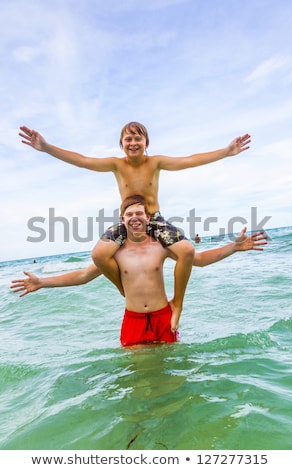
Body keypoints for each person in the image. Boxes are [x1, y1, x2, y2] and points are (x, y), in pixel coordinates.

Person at [19, 122, 251, 328]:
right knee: (99, 254)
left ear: (146, 142)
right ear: (121, 144)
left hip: (154, 218)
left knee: (188, 250)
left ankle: (177, 304)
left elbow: (189, 161)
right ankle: (124, 289)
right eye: (128, 139)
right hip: (129, 219)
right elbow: (83, 161)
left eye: (137, 138)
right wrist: (47, 147)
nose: (133, 142)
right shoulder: (116, 165)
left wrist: (226, 151)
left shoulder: (156, 162)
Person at [11, 195, 267, 346]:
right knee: (138, 381)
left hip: (164, 317)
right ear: (121, 220)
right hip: (132, 321)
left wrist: (233, 248)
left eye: (139, 213)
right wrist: (43, 282)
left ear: (148, 218)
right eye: (129, 214)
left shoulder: (162, 246)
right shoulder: (117, 253)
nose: (135, 217)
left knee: (170, 376)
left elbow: (197, 259)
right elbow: (82, 276)